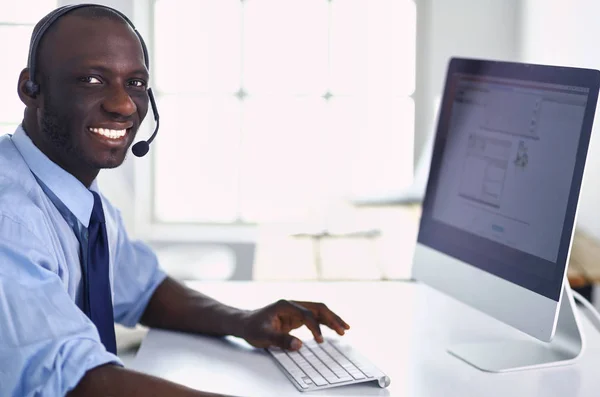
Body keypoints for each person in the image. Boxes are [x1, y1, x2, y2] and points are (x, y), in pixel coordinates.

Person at [0, 5, 350, 397]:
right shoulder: (9, 218)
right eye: (92, 79)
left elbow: (144, 288)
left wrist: (243, 322)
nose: (123, 105)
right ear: (31, 88)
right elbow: (75, 380)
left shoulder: (75, 195)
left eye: (135, 84)